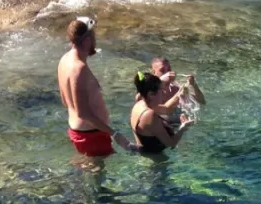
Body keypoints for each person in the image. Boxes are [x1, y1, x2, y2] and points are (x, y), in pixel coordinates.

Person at [57, 17, 134, 160]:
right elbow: (83, 114)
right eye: (93, 36)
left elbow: (64, 100)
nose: (95, 40)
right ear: (87, 40)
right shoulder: (78, 69)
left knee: (88, 169)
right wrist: (114, 134)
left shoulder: (64, 60)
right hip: (91, 136)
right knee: (97, 176)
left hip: (84, 133)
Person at [130, 72, 193, 154]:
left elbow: (167, 109)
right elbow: (171, 144)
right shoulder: (149, 115)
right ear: (151, 95)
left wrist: (179, 93)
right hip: (157, 162)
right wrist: (183, 128)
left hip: (144, 154)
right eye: (161, 91)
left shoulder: (139, 104)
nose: (163, 93)